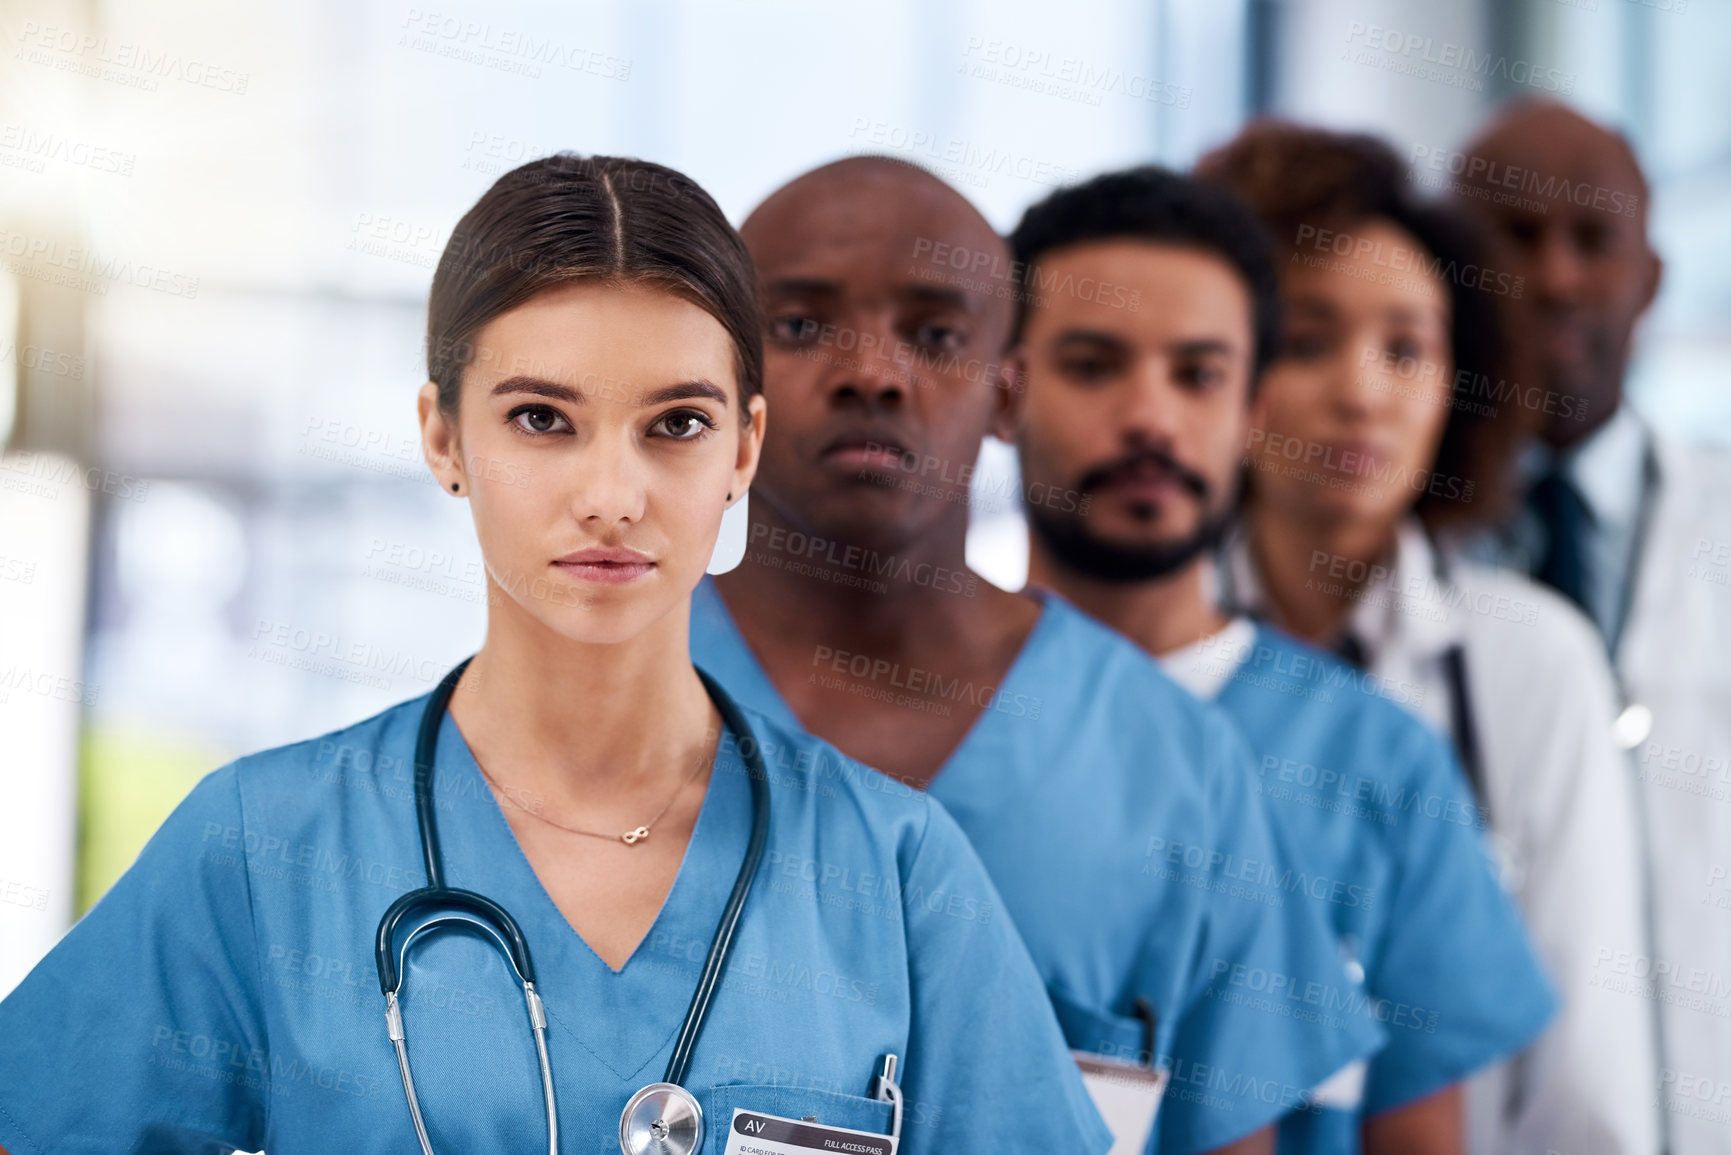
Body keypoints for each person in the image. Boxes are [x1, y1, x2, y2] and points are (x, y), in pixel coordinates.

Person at [0, 154, 1111, 1155]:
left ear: (744, 448)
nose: (612, 498)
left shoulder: (898, 875)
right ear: (443, 437)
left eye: (676, 424)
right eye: (542, 419)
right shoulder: (260, 853)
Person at [688, 154, 1385, 1155]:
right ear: (725, 378)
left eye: (935, 335)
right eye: (800, 326)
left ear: (1008, 393)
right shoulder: (601, 705)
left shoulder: (1175, 768)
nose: (873, 373)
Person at [1003, 161, 1558, 1155]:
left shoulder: (1383, 769)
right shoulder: (911, 724)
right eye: (1092, 364)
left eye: (1199, 373)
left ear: (1254, 410)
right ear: (1002, 392)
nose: (1151, 417)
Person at [1190, 124, 1655, 1155]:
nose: (1362, 392)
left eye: (1407, 348)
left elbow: (1586, 1078)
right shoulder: (1150, 646)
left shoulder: (1535, 661)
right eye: (1309, 341)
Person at [1454, 101, 1731, 1154]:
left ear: (1650, 277)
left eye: (1592, 239)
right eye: (1513, 238)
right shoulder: (1386, 562)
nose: (1558, 278)